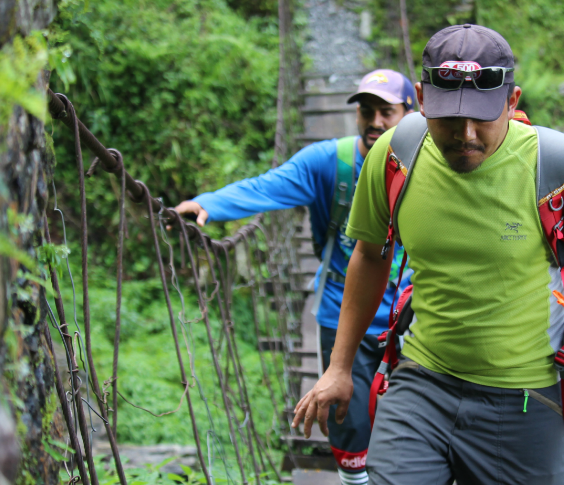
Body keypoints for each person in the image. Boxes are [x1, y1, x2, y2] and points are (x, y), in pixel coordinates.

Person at [292, 24, 564, 484]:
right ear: (420, 99)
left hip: (524, 397)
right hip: (422, 382)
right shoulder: (397, 155)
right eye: (449, 120)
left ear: (512, 102)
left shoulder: (554, 165)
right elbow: (370, 256)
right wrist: (339, 368)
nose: (467, 135)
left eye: (482, 117)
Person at [175, 69, 416, 485]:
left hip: (413, 316)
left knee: (415, 426)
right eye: (366, 111)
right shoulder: (330, 162)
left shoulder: (429, 161)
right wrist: (207, 204)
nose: (375, 121)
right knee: (349, 421)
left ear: (409, 115)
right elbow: (268, 187)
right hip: (344, 314)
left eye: (386, 112)